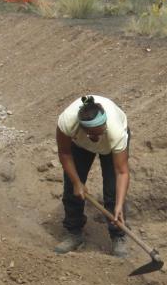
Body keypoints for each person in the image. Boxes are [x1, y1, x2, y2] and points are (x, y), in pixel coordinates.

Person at [54, 95, 131, 256]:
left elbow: (122, 172)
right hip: (80, 146)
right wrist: (77, 182)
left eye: (100, 133)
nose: (97, 138)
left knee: (113, 192)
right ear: (82, 128)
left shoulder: (115, 131)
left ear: (105, 126)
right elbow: (65, 153)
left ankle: (118, 236)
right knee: (72, 189)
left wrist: (119, 204)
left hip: (111, 148)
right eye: (92, 135)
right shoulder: (68, 122)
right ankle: (74, 233)